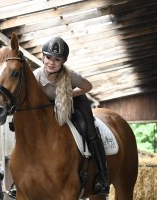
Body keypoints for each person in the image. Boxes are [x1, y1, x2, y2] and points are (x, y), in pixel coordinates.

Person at [34, 37, 109, 195]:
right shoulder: (36, 76)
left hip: (76, 101)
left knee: (90, 129)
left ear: (63, 61)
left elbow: (88, 86)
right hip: (50, 105)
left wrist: (68, 94)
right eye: (48, 57)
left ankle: (102, 176)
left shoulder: (70, 75)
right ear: (43, 57)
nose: (51, 62)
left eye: (57, 59)